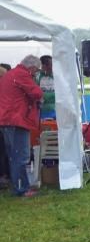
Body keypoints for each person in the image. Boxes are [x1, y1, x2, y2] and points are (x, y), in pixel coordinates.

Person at [0, 55, 43, 197]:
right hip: (16, 120)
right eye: (36, 71)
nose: (36, 74)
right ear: (32, 68)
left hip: (6, 120)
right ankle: (21, 189)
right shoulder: (22, 75)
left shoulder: (11, 74)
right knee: (21, 156)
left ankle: (18, 185)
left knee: (13, 155)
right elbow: (37, 93)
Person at [37, 55, 56, 119]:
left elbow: (61, 94)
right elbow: (36, 95)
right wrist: (53, 95)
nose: (52, 67)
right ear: (43, 66)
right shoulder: (37, 76)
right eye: (51, 65)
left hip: (55, 111)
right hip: (41, 112)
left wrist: (44, 96)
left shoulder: (57, 76)